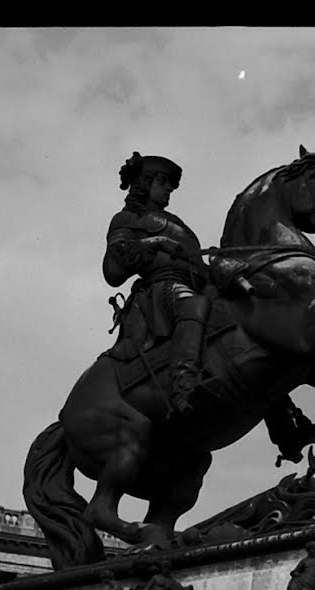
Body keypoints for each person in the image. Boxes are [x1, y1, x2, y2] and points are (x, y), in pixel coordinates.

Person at [103, 152, 209, 414]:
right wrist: (153, 243)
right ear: (145, 183)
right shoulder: (126, 220)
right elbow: (112, 271)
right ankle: (183, 384)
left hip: (195, 283)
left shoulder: (176, 223)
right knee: (192, 305)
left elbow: (196, 263)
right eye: (163, 183)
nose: (169, 189)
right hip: (162, 291)